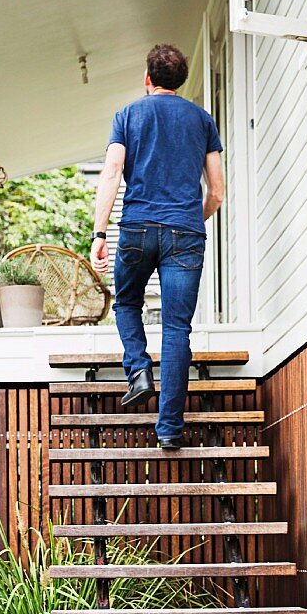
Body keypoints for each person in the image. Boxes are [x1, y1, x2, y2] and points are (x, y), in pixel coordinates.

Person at [90, 43, 224, 449]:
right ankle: (169, 430)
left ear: (148, 78)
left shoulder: (128, 115)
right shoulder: (203, 120)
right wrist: (187, 223)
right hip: (185, 233)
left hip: (137, 229)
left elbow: (112, 172)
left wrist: (99, 232)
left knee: (127, 303)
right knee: (177, 328)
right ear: (179, 81)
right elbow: (216, 192)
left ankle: (138, 369)